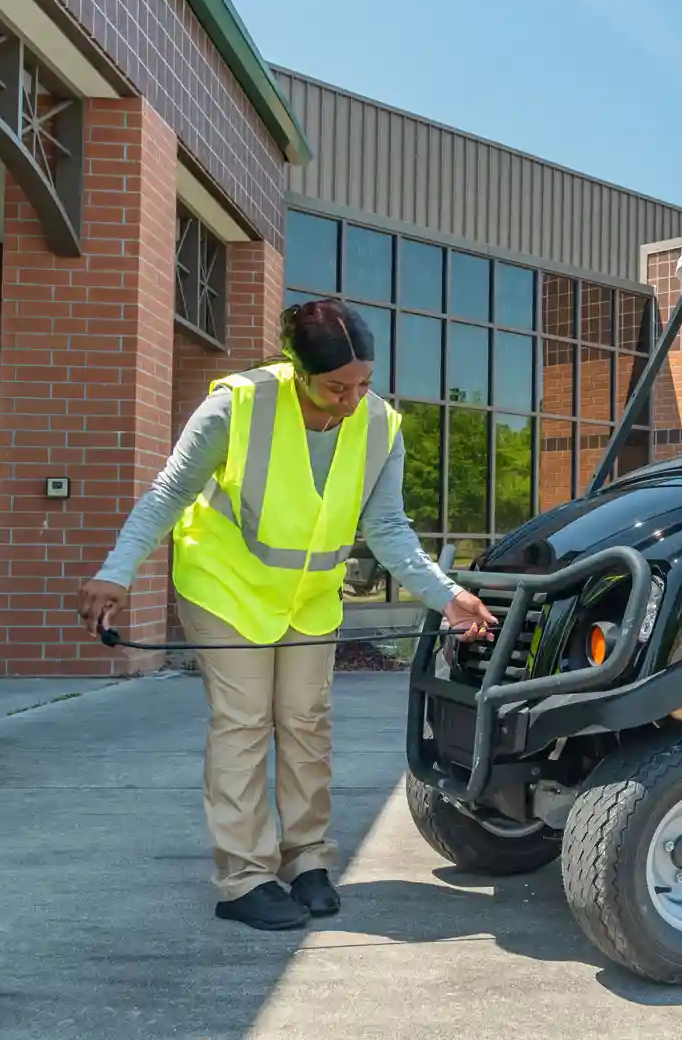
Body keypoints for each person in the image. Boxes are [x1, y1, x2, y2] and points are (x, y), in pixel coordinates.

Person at [76, 297, 498, 931]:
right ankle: (244, 877)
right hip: (226, 588)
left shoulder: (380, 424)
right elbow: (169, 492)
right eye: (337, 387)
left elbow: (386, 527)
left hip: (308, 597)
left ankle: (307, 862)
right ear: (297, 369)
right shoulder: (236, 405)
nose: (352, 400)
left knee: (306, 724)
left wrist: (448, 596)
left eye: (363, 384)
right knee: (244, 724)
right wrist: (118, 570)